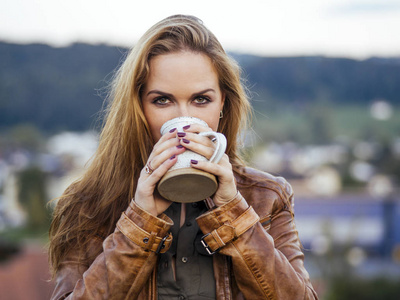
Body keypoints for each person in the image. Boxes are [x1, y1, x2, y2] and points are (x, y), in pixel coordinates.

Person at [49, 14, 318, 300]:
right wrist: (139, 222)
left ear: (223, 102)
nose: (184, 120)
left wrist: (234, 214)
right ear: (138, 106)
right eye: (162, 100)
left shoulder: (267, 197)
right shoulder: (86, 205)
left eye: (201, 99)